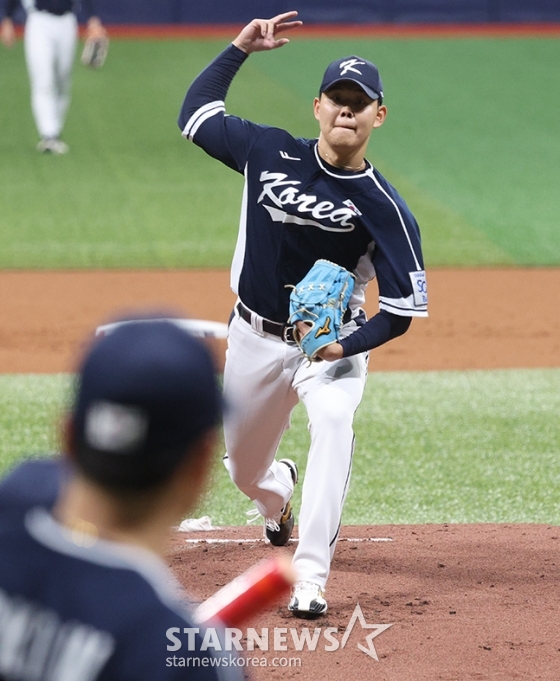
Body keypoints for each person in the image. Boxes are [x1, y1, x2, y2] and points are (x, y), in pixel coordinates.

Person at [177, 11, 428, 617]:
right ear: (317, 106)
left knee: (335, 428)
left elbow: (398, 312)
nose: (347, 110)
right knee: (245, 472)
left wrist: (343, 349)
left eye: (359, 102)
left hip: (332, 346)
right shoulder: (267, 151)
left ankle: (309, 579)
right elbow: (195, 116)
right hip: (254, 338)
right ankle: (275, 497)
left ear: (378, 115)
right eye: (337, 100)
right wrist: (239, 47)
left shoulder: (386, 210)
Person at [0, 317, 244, 680]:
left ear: (67, 437)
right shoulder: (182, 654)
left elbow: (43, 480)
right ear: (199, 468)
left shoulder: (15, 497)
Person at [0, 0, 106, 154]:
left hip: (67, 21)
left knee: (62, 81)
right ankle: (49, 135)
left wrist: (93, 20)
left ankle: (54, 130)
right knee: (43, 80)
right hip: (39, 21)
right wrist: (8, 19)